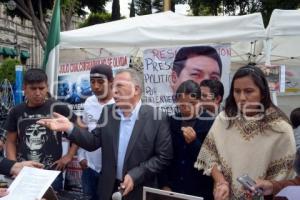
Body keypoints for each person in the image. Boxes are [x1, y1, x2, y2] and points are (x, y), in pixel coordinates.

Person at [37, 68, 173, 200]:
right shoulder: (108, 112)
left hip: (140, 190)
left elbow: (164, 157)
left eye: (119, 86)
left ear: (136, 89)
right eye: (113, 86)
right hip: (108, 189)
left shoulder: (157, 118)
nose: (114, 91)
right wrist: (70, 128)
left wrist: (136, 174)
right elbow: (93, 142)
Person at [194, 65, 296, 200]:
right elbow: (210, 154)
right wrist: (221, 182)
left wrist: (264, 189)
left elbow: (284, 177)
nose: (241, 97)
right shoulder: (224, 119)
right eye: (237, 91)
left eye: (249, 91)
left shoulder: (280, 128)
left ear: (263, 93)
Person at [4, 68, 78, 192]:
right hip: (24, 173)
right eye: (33, 89)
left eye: (41, 88)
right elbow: (10, 141)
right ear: (25, 88)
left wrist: (69, 155)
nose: (38, 93)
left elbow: (79, 129)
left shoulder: (58, 107)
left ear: (47, 87)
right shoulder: (16, 111)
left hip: (52, 174)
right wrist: (14, 166)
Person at [161, 80, 214, 199]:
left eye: (193, 103)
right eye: (183, 105)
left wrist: (194, 143)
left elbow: (213, 160)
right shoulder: (172, 121)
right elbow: (164, 155)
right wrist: (165, 183)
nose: (188, 109)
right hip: (174, 187)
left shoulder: (210, 123)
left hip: (200, 189)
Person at [78, 64, 115, 200]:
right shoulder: (89, 102)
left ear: (111, 81)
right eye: (92, 82)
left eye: (100, 82)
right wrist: (81, 156)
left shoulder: (118, 104)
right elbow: (84, 128)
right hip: (90, 167)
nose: (96, 86)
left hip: (111, 171)